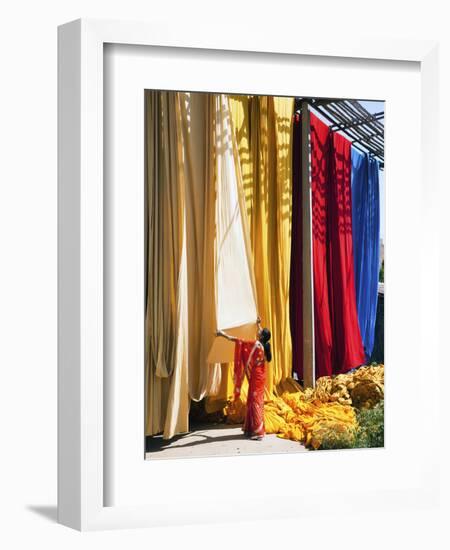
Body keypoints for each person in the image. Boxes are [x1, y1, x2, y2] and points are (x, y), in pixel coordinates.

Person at [216, 316, 272, 440]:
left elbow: (238, 341)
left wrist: (222, 334)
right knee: (255, 401)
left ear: (261, 336)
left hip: (256, 377)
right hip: (260, 375)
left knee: (255, 402)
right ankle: (251, 428)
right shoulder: (265, 345)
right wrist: (259, 324)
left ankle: (259, 432)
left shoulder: (256, 344)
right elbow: (262, 333)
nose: (258, 331)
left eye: (259, 332)